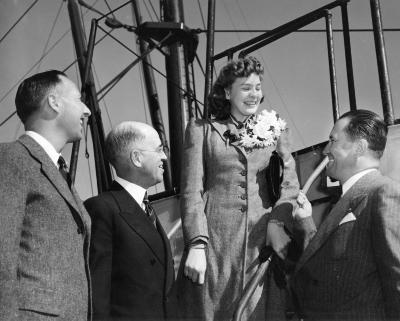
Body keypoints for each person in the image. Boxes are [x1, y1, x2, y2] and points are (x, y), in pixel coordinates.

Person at [177, 56, 300, 320]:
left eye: (257, 87)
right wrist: (197, 243)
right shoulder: (202, 131)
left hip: (262, 245)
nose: (253, 94)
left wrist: (278, 225)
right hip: (215, 246)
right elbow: (190, 190)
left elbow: (289, 185)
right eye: (245, 88)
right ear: (226, 92)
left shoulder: (275, 130)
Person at [0, 70, 92, 320]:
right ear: (53, 102)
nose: (87, 110)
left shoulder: (60, 173)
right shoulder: (11, 159)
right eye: (78, 99)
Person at [292, 109, 400, 320]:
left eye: (333, 141)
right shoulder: (346, 200)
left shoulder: (384, 193)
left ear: (359, 148)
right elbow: (325, 265)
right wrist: (305, 220)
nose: (325, 150)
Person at [85, 121, 177, 321]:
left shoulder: (146, 209)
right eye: (159, 150)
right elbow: (97, 292)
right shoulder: (101, 209)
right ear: (137, 157)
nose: (164, 157)